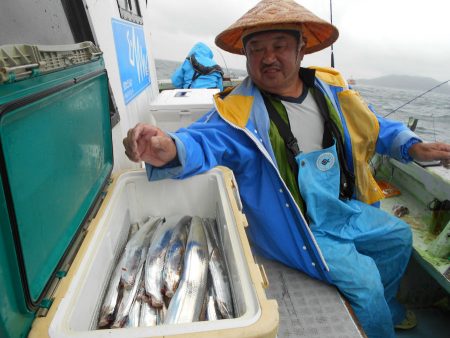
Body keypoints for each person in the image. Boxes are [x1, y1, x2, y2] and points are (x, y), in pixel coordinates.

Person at [123, 1, 450, 337]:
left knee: (397, 238)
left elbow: (372, 127)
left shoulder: (332, 90)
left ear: (301, 49)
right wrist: (167, 148)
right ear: (246, 57)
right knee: (365, 281)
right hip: (296, 226)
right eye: (256, 49)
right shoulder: (239, 113)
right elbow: (201, 142)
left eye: (279, 46)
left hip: (341, 209)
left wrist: (412, 146)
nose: (268, 58)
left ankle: (389, 306)